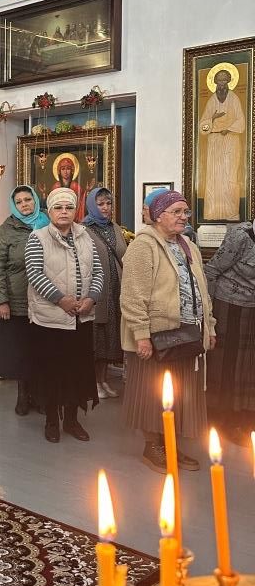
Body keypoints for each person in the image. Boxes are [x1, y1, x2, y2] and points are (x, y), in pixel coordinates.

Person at [120, 191, 215, 473]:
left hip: (188, 333)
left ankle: (171, 443)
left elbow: (202, 290)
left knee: (179, 392)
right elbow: (132, 296)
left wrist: (209, 326)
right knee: (152, 393)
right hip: (157, 335)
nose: (184, 217)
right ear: (158, 215)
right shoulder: (143, 246)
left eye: (186, 212)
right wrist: (141, 335)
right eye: (177, 212)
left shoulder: (188, 245)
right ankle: (153, 447)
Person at [25, 186, 102, 443]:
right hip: (51, 320)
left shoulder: (86, 236)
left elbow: (98, 271)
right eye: (58, 207)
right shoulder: (37, 238)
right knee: (52, 372)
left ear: (75, 211)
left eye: (69, 207)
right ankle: (51, 420)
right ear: (50, 211)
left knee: (76, 371)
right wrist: (62, 300)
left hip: (81, 318)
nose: (64, 212)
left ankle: (71, 420)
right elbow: (35, 274)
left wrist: (91, 298)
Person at [0, 185, 48, 415]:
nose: (24, 204)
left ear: (35, 200)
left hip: (46, 299)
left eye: (28, 200)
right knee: (21, 350)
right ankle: (23, 394)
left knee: (41, 349)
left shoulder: (47, 222)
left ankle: (40, 395)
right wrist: (1, 300)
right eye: (19, 201)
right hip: (17, 300)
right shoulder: (8, 228)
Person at [200, 221, 255, 444]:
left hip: (251, 308)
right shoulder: (240, 236)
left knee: (247, 366)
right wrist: (208, 312)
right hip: (229, 306)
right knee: (227, 365)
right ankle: (222, 419)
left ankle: (243, 416)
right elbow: (211, 271)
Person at [83, 187, 127, 399]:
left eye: (108, 203)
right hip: (97, 291)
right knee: (96, 341)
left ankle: (103, 380)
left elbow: (123, 254)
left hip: (116, 290)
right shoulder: (83, 229)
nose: (105, 208)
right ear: (92, 205)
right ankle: (92, 383)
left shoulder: (115, 227)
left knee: (110, 339)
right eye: (100, 204)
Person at [200, 66, 245, 220]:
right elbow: (203, 127)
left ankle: (231, 213)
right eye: (219, 81)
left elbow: (241, 121)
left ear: (229, 82)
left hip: (231, 140)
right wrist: (212, 118)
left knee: (230, 176)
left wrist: (229, 128)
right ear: (215, 82)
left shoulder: (234, 99)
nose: (222, 84)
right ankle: (213, 213)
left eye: (224, 81)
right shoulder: (212, 100)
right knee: (214, 176)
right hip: (214, 142)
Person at [51, 153, 85, 222]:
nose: (65, 172)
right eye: (63, 169)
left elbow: (79, 205)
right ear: (59, 171)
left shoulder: (76, 186)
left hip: (74, 218)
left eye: (68, 169)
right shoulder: (56, 186)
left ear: (72, 171)